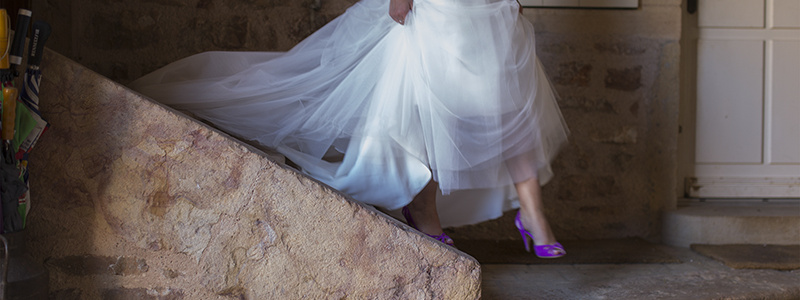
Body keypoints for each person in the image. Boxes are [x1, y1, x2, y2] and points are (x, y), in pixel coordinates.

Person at [130, 0, 569, 258]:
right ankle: (423, 208)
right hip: (442, 13)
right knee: (432, 110)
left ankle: (532, 214)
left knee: (511, 109)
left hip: (495, 14)